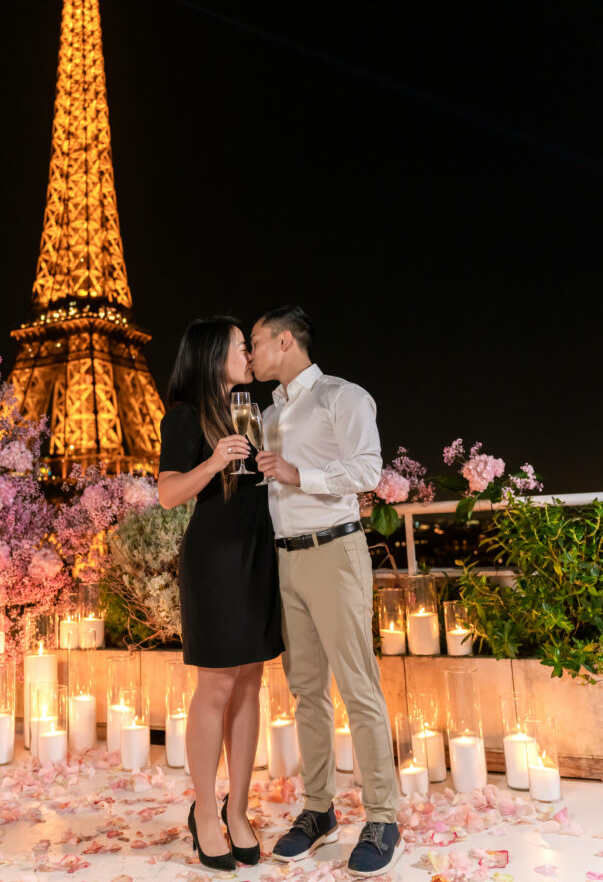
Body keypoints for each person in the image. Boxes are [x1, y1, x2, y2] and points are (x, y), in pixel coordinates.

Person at [251, 305, 401, 879]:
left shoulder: (344, 397)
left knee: (358, 686)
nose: (252, 353)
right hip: (286, 560)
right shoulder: (264, 414)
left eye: (258, 343)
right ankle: (319, 811)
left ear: (286, 341)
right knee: (306, 690)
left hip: (335, 551)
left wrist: (297, 475)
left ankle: (383, 817)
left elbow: (367, 470)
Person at [158, 316, 283, 872]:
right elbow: (167, 495)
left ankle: (239, 809)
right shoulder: (185, 416)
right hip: (214, 560)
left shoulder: (252, 413)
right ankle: (205, 812)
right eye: (240, 347)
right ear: (213, 355)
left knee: (252, 681)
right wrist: (212, 460)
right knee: (216, 684)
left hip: (258, 555)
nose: (249, 355)